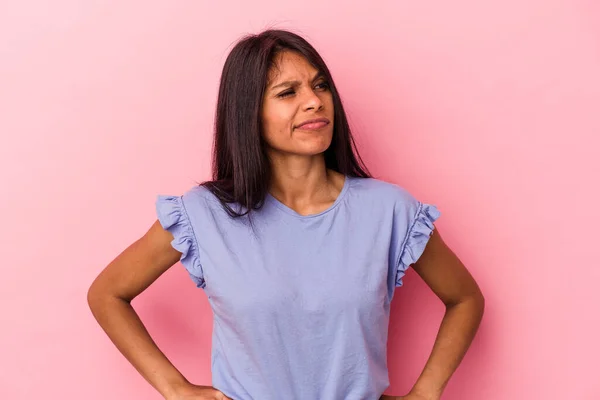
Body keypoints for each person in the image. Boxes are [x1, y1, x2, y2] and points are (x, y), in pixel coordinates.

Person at [87, 29, 485, 400]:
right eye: (287, 92)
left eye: (320, 85)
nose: (314, 100)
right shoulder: (203, 215)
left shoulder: (390, 210)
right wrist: (175, 388)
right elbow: (107, 293)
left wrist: (427, 392)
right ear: (248, 113)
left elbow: (465, 298)